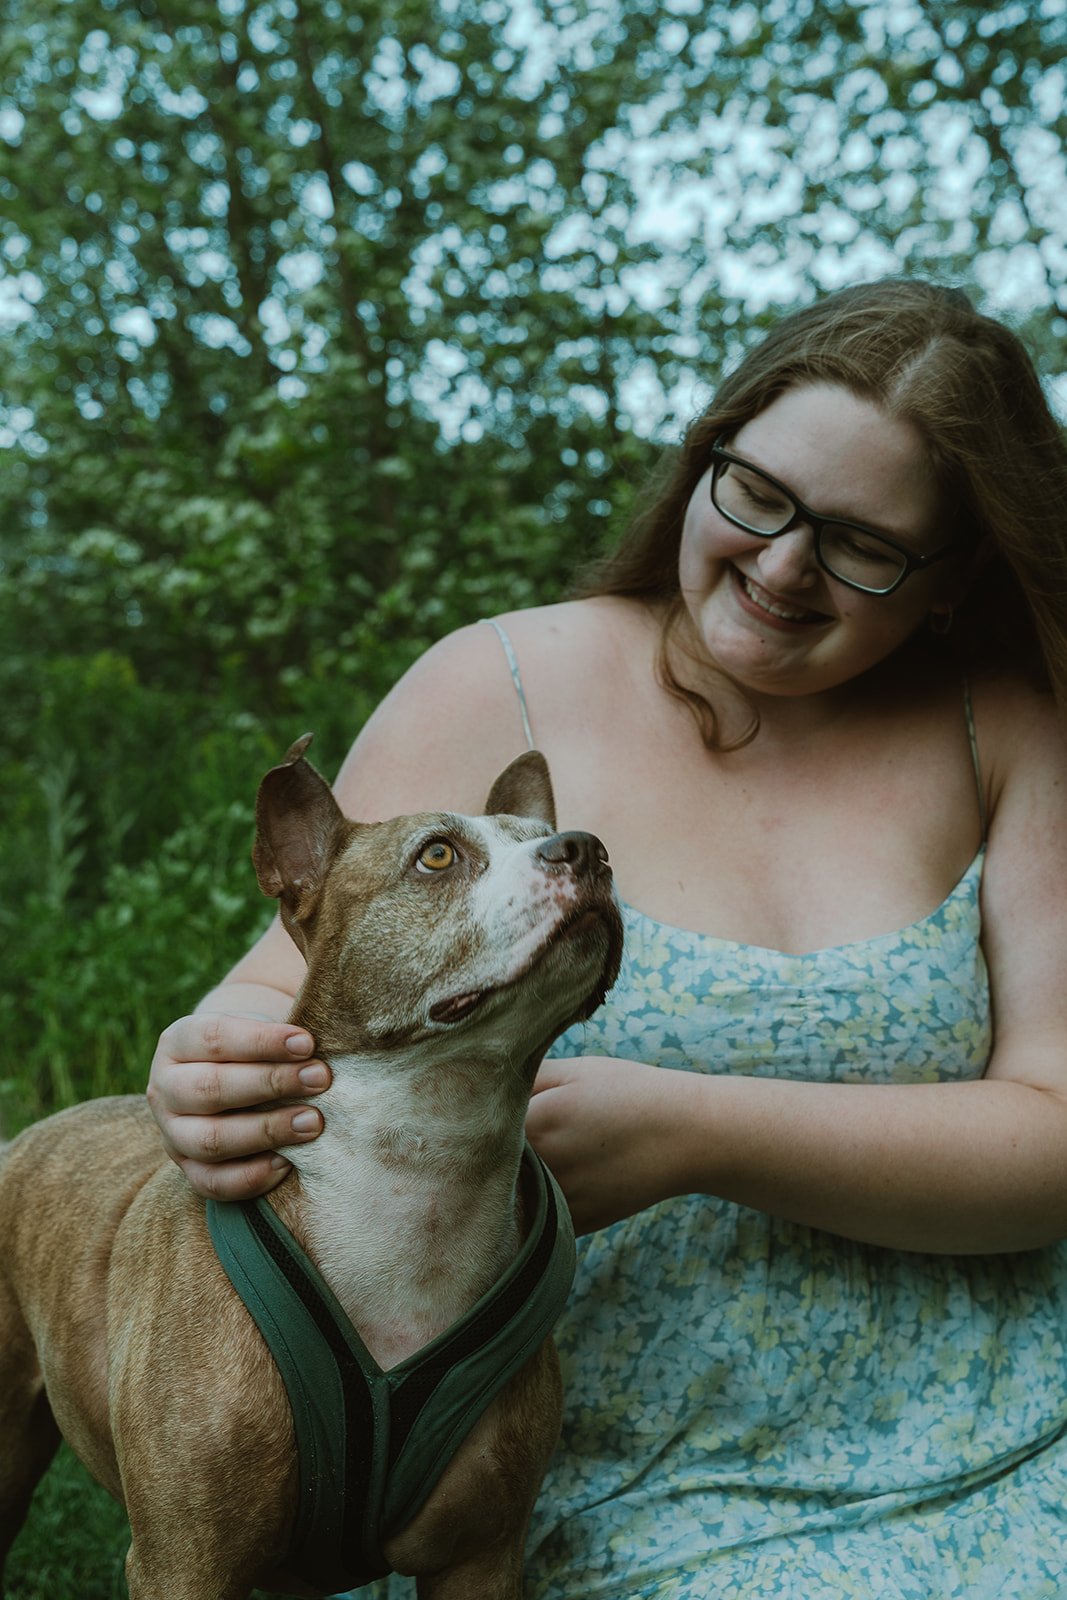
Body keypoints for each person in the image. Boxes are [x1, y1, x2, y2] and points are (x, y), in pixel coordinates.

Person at [148, 278, 1067, 1598]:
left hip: (1000, 1433)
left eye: (863, 544)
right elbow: (284, 988)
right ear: (705, 458)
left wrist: (697, 1132)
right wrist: (202, 1063)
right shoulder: (496, 680)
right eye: (756, 494)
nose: (782, 565)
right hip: (556, 1456)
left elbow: (1054, 1135)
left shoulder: (1009, 731)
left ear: (952, 574)